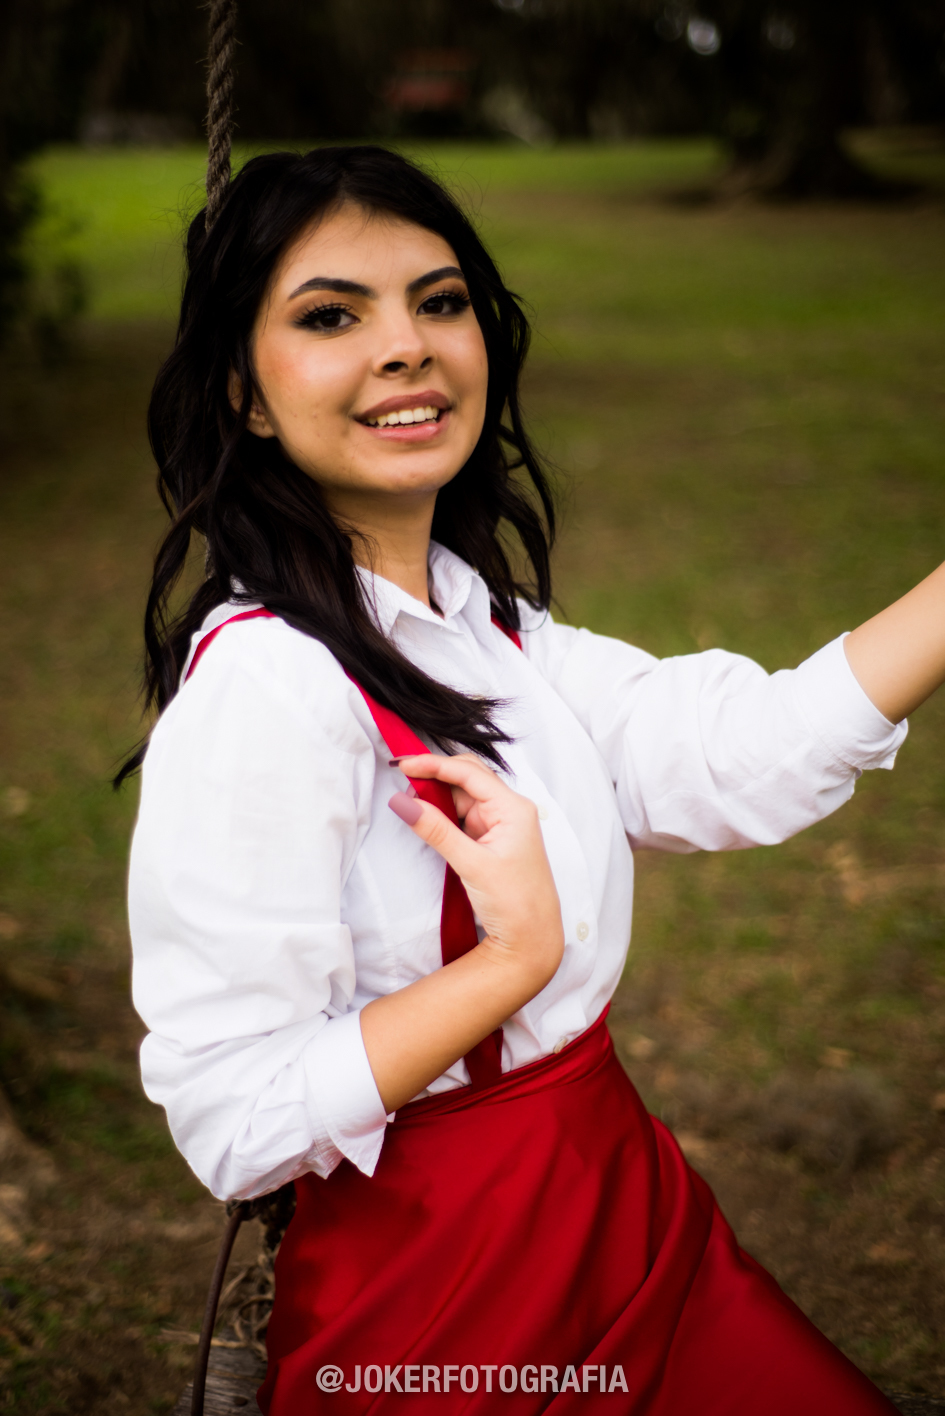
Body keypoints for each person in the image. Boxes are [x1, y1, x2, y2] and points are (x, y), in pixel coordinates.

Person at [124, 145, 939, 1413]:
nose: (407, 347)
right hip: (448, 1290)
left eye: (439, 301)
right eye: (332, 316)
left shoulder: (483, 628)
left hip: (625, 1206)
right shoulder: (272, 688)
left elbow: (744, 752)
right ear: (247, 393)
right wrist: (509, 964)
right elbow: (235, 1115)